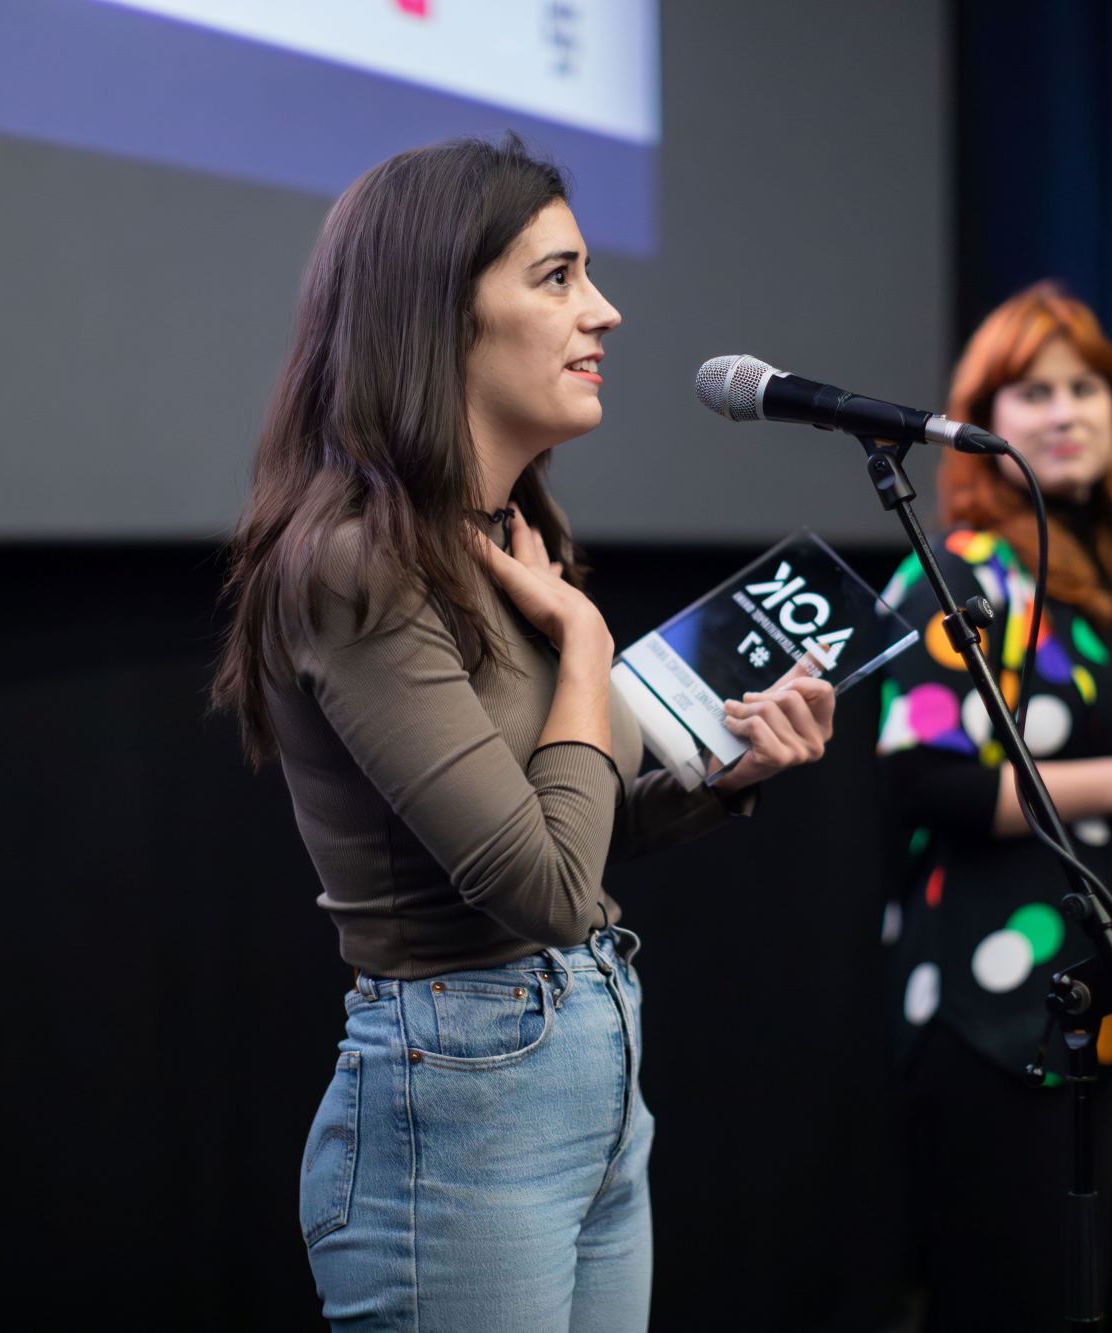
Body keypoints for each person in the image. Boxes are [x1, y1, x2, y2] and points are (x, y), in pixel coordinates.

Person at [210, 136, 836, 1331]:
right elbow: (543, 889)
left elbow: (566, 832)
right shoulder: (353, 564)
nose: (603, 310)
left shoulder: (507, 537)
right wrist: (586, 648)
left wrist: (723, 777)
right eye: (556, 277)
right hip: (461, 1094)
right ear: (437, 314)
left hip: (579, 1064)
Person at [875, 280, 1112, 1331]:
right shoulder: (963, 573)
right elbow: (924, 781)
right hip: (1017, 1005)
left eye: (1084, 389)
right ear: (984, 422)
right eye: (1033, 392)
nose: (1062, 413)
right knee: (1030, 1294)